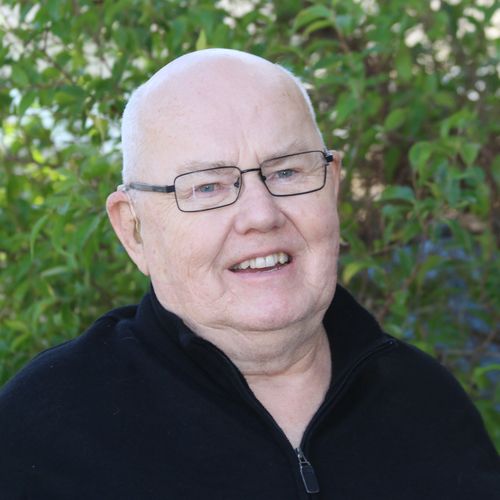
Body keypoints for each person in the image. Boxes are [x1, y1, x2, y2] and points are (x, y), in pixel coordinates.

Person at [0, 49, 499, 500]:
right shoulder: (45, 431)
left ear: (333, 188)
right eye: (207, 187)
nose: (261, 215)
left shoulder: (426, 402)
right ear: (134, 230)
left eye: (287, 172)